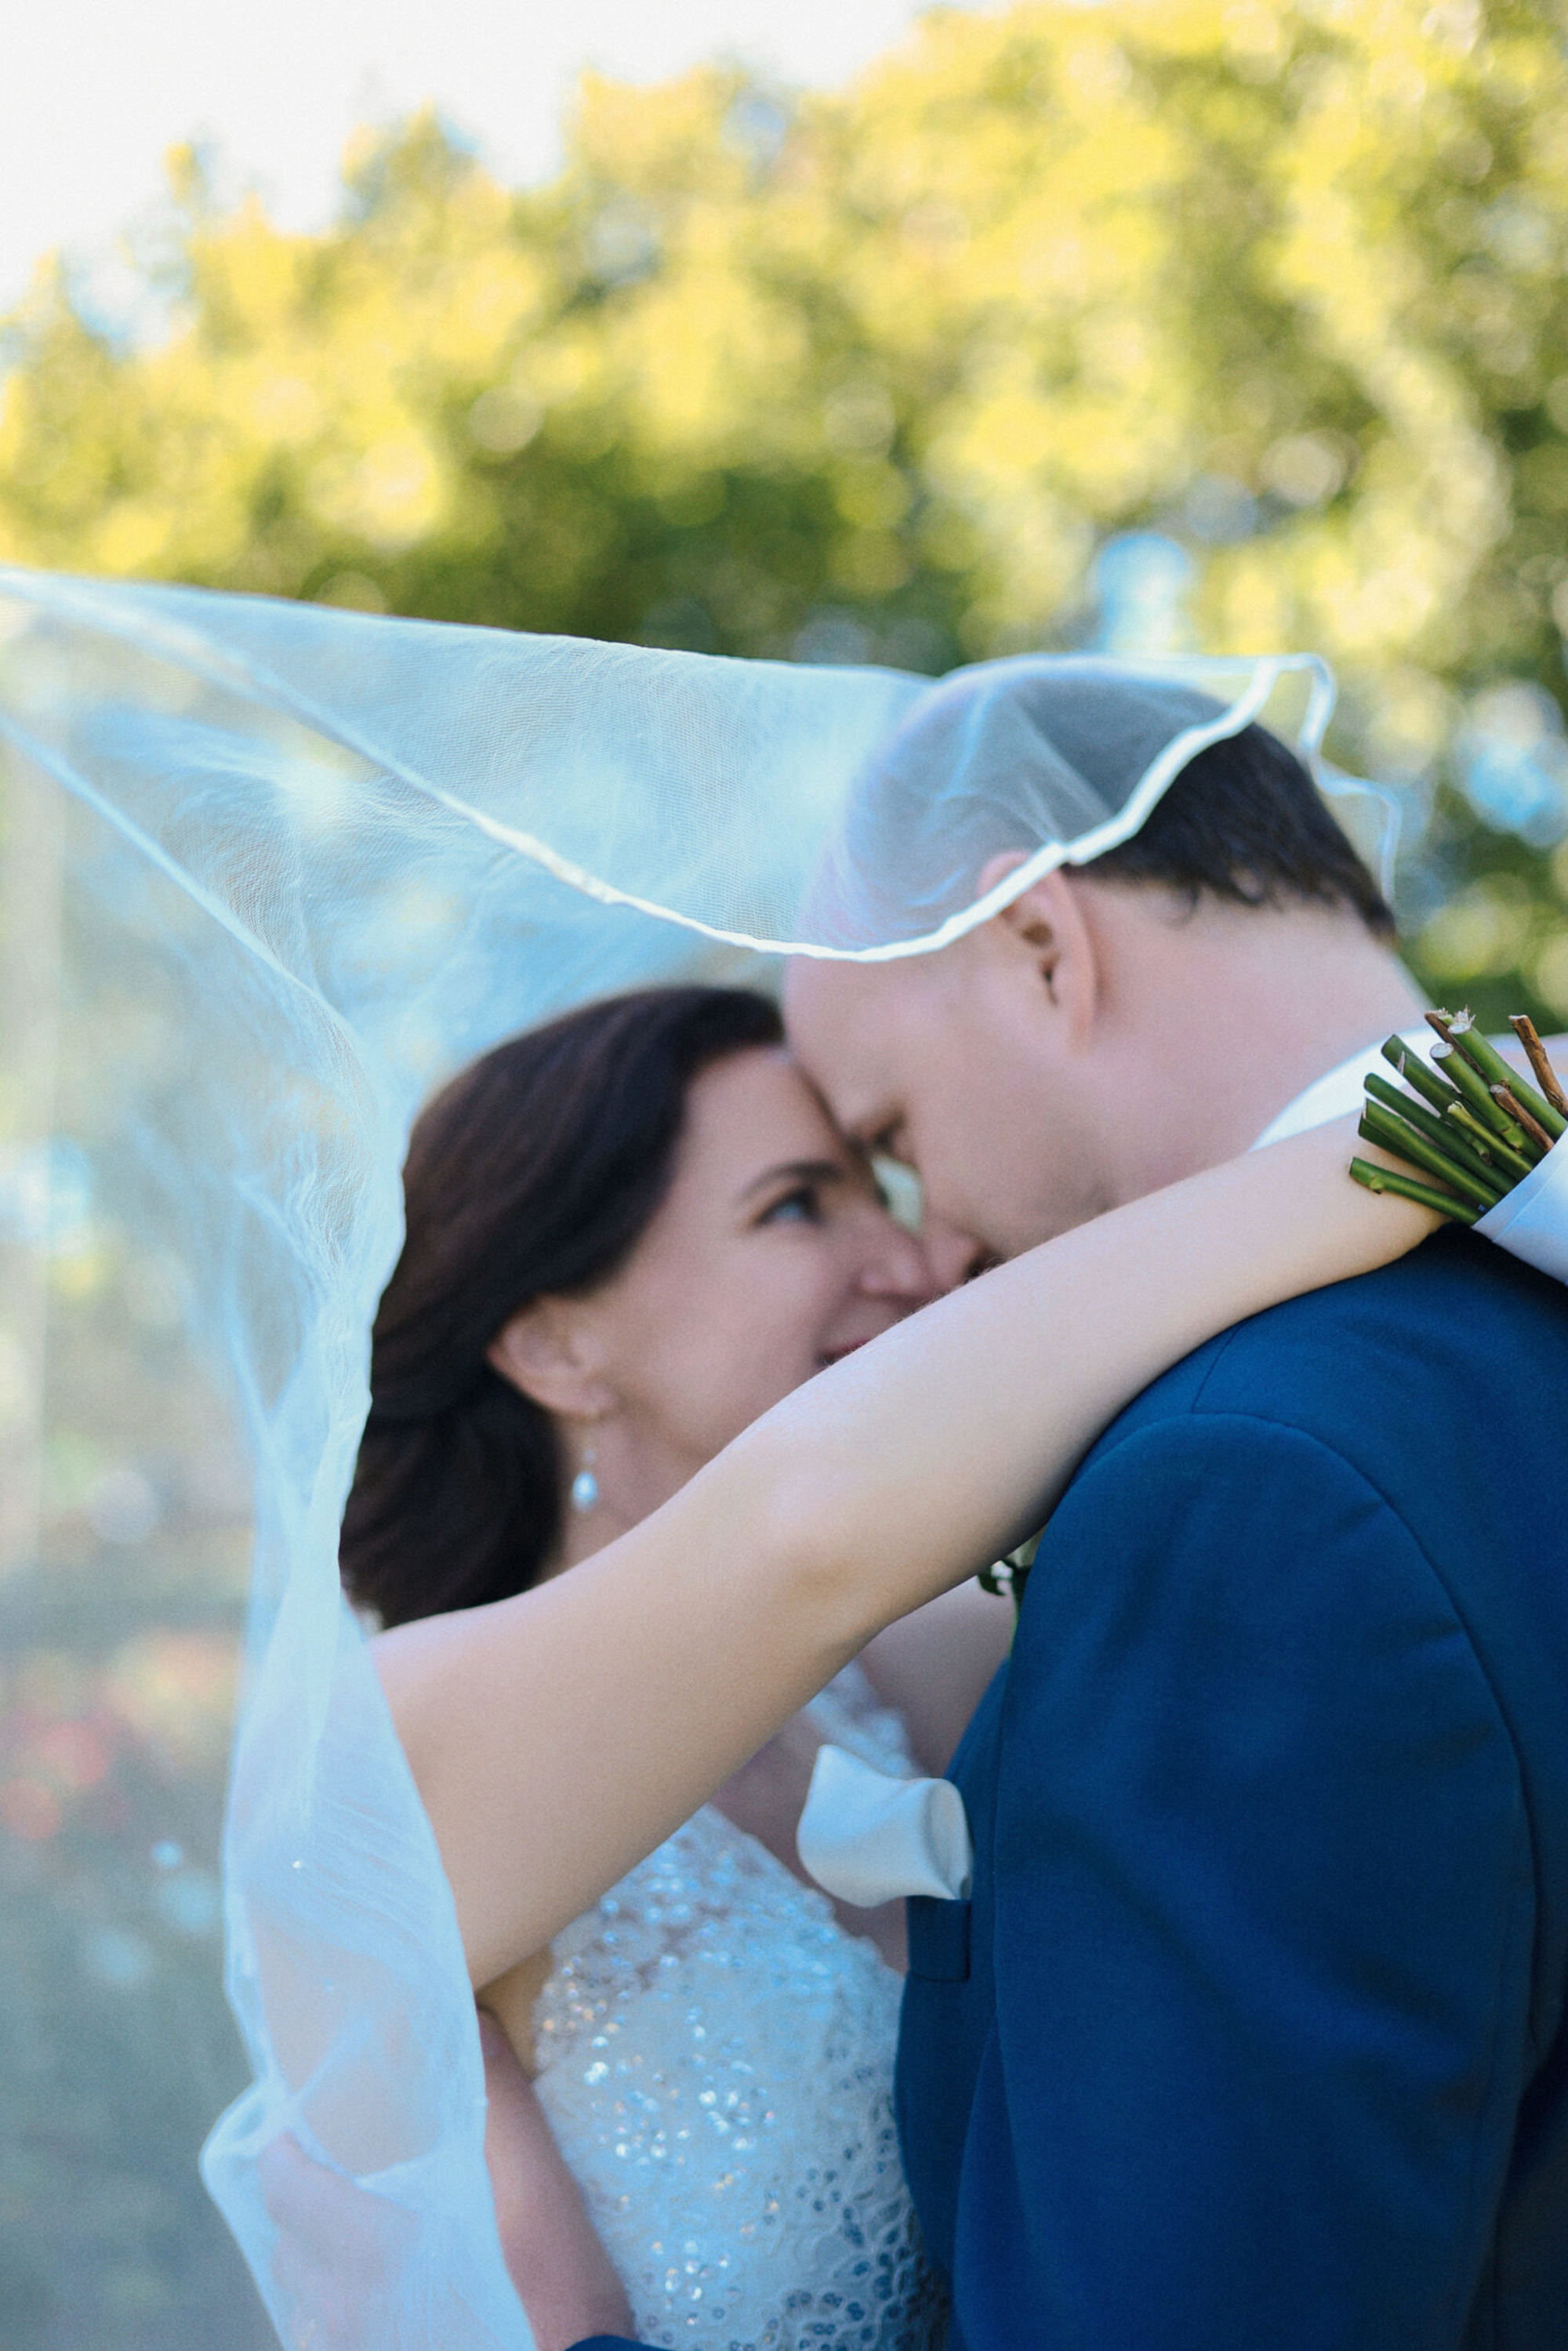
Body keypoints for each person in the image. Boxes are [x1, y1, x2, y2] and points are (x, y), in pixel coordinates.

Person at [339, 981, 1008, 2349]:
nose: (909, 1257)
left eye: (884, 1187)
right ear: (554, 1343)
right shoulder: (417, 1738)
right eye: (798, 1205)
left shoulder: (920, 1671)